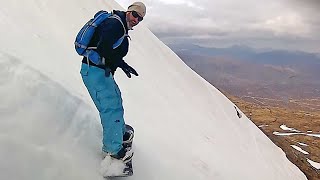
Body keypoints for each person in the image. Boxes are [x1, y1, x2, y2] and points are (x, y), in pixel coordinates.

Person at [79, 2, 146, 162]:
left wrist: (118, 64)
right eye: (135, 15)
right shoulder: (115, 24)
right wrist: (122, 64)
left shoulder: (119, 24)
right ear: (129, 11)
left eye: (140, 19)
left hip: (100, 71)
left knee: (116, 100)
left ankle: (119, 133)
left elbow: (107, 50)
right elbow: (104, 48)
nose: (136, 20)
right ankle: (113, 150)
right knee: (110, 108)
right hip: (94, 71)